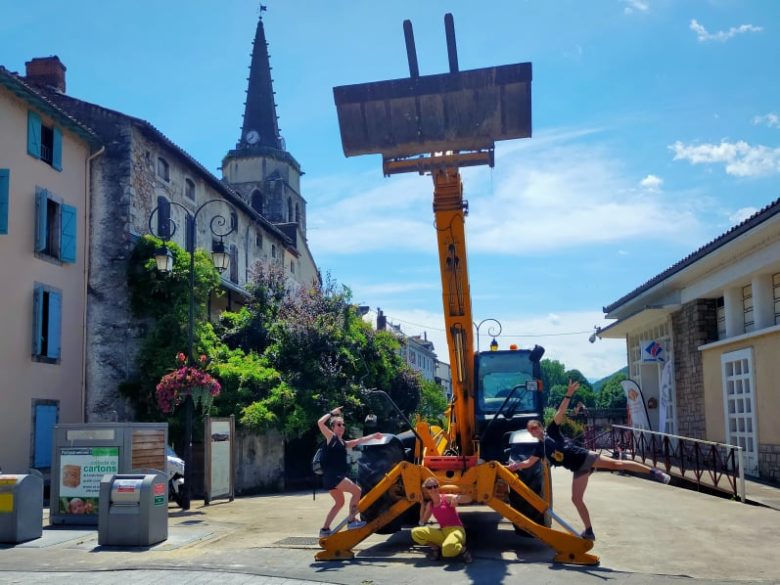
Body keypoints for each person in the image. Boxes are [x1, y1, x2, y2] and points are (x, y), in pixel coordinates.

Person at [509, 379, 671, 541]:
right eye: (531, 430)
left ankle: (654, 472)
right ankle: (589, 531)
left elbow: (561, 411)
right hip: (579, 469)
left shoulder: (552, 431)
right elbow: (528, 463)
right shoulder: (539, 449)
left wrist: (569, 394)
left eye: (535, 427)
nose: (534, 431)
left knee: (617, 464)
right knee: (576, 499)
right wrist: (513, 466)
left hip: (585, 456)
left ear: (541, 427)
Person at [317, 406, 382, 538]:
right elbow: (320, 423)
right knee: (357, 491)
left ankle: (324, 530)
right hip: (334, 476)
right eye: (339, 424)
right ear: (333, 427)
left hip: (329, 478)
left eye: (343, 424)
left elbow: (359, 441)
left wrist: (373, 436)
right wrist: (332, 413)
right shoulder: (331, 437)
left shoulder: (343, 443)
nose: (342, 426)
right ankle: (352, 521)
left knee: (339, 503)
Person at [411, 477, 472, 563]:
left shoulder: (446, 498)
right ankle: (436, 548)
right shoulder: (430, 505)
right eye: (429, 487)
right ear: (426, 490)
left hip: (456, 530)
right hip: (443, 532)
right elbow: (422, 522)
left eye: (435, 486)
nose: (433, 489)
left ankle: (463, 550)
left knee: (447, 551)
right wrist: (422, 505)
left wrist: (456, 499)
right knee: (415, 532)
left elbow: (469, 499)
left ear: (438, 487)